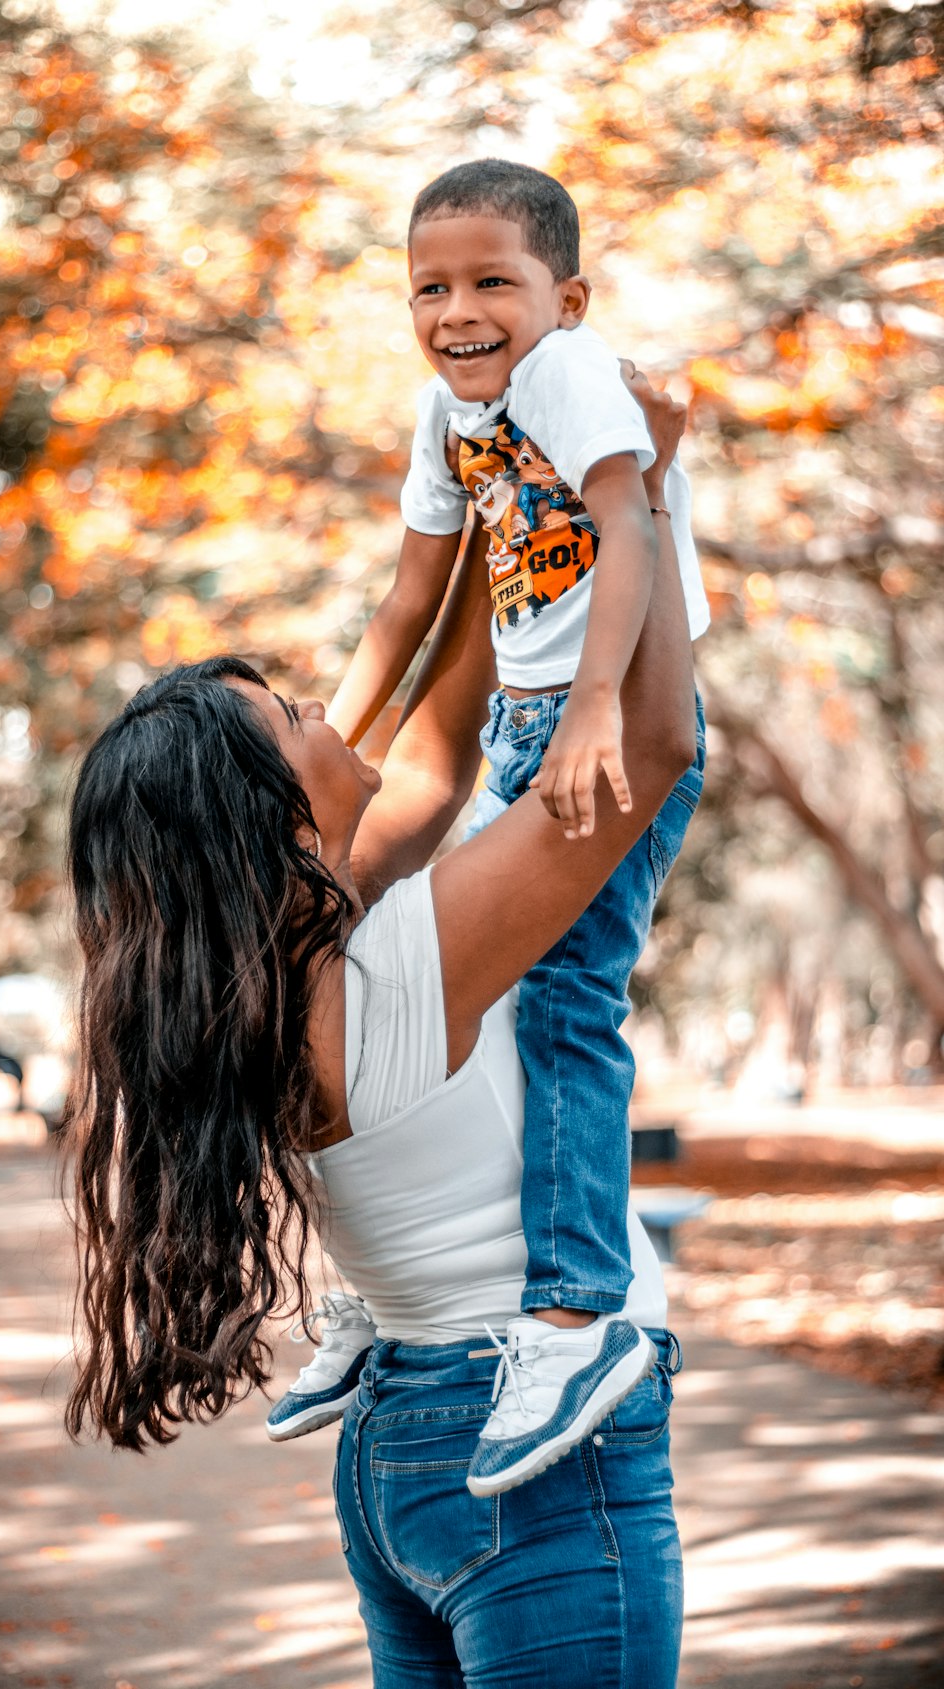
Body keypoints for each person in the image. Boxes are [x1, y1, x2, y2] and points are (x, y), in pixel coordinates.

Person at [64, 370, 697, 1685]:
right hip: (530, 1471)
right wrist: (652, 491)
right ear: (274, 824)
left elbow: (437, 749)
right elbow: (652, 732)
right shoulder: (406, 964)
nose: (324, 708)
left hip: (402, 1455)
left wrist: (486, 521)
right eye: (295, 718)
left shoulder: (274, 993)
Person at [289, 160, 710, 1493]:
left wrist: (591, 713)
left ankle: (579, 1312)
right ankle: (396, 1290)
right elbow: (409, 605)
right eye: (430, 284)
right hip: (532, 726)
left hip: (596, 725)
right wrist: (311, 767)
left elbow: (627, 526)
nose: (458, 310)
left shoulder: (574, 374)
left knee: (569, 1002)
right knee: (438, 976)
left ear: (564, 298)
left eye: (493, 283)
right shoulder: (444, 411)